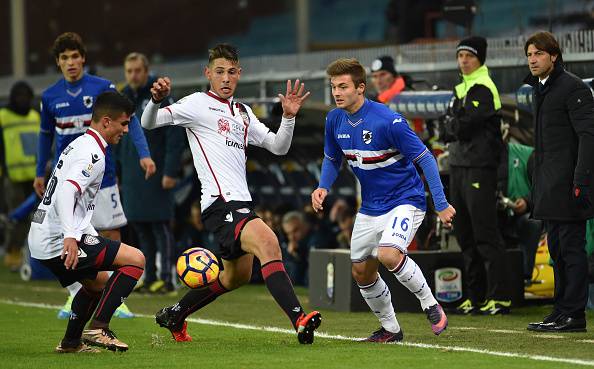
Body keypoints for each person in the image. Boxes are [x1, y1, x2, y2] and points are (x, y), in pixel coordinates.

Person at [141, 44, 322, 344]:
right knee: (268, 242)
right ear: (208, 73)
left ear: (239, 74)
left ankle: (176, 313)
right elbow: (150, 122)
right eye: (219, 72)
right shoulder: (197, 104)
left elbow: (278, 147)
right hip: (220, 202)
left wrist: (288, 118)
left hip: (239, 203)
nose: (225, 78)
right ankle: (299, 319)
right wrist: (155, 101)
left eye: (231, 72)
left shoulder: (243, 113)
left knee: (233, 277)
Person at [311, 58, 456, 342]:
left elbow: (426, 159)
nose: (337, 93)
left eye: (343, 86)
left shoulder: (389, 121)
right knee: (361, 272)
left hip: (406, 199)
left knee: (389, 254)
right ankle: (391, 329)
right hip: (370, 207)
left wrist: (440, 204)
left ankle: (431, 305)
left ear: (361, 88)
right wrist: (323, 187)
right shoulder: (334, 119)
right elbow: (332, 157)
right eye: (333, 87)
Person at [34, 32, 154, 319]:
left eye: (75, 56)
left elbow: (130, 119)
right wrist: (40, 170)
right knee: (72, 231)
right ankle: (78, 294)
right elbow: (44, 135)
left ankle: (112, 296)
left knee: (109, 231)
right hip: (70, 176)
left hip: (102, 175)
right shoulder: (50, 96)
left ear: (83, 58)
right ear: (58, 63)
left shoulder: (102, 87)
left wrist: (143, 152)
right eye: (64, 58)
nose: (71, 62)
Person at [28, 91, 145, 353]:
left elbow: (74, 200)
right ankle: (99, 328)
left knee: (98, 283)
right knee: (136, 260)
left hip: (45, 234)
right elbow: (67, 192)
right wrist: (70, 235)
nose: (126, 130)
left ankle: (71, 343)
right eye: (123, 123)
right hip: (58, 238)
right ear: (106, 121)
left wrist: (79, 232)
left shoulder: (80, 144)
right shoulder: (92, 153)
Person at [524, 31, 594, 333]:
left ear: (554, 55)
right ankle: (560, 310)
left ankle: (575, 314)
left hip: (569, 184)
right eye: (529, 55)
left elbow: (588, 137)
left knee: (571, 250)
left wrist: (581, 180)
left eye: (538, 53)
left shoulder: (574, 88)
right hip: (548, 186)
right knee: (556, 251)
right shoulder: (541, 90)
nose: (532, 60)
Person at [443, 36, 510, 315]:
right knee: (465, 233)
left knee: (485, 233)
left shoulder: (483, 87)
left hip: (479, 167)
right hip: (459, 166)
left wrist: (452, 121)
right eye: (460, 56)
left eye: (469, 56)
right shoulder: (462, 88)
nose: (463, 60)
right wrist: (453, 122)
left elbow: (461, 128)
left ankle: (500, 296)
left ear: (480, 58)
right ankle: (476, 295)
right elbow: (450, 126)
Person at [119, 52, 185, 294]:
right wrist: (117, 171)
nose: (133, 75)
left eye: (137, 70)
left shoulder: (160, 96)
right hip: (130, 172)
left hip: (157, 172)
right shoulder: (122, 96)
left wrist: (171, 170)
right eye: (129, 71)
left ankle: (167, 279)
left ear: (146, 71)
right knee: (140, 226)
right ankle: (149, 277)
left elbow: (174, 136)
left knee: (160, 226)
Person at [0, 81, 40, 270]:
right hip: (12, 177)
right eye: (19, 96)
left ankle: (33, 256)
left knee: (38, 218)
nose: (23, 100)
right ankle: (12, 252)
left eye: (26, 96)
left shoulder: (35, 116)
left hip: (35, 178)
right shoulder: (3, 116)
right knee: (17, 218)